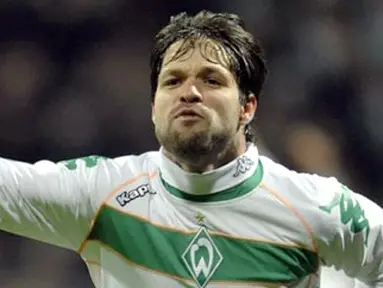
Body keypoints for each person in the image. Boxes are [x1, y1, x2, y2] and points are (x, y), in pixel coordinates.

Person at [0, 10, 381, 288]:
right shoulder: (102, 193)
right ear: (153, 108)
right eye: (173, 81)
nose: (189, 93)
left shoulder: (317, 208)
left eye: (211, 79)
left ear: (247, 107)